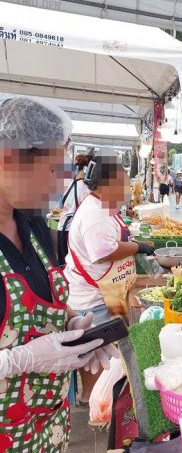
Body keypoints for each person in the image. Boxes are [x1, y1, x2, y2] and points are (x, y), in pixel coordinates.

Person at [0, 97, 117, 452]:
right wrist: (17, 360)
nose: (58, 185)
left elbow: (41, 298)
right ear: (9, 159)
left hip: (49, 427)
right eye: (52, 170)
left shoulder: (32, 222)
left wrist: (71, 323)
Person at [64, 151, 155, 403]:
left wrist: (135, 243)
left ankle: (98, 400)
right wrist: (137, 247)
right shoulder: (94, 214)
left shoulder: (101, 205)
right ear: (108, 183)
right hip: (91, 301)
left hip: (100, 293)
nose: (127, 187)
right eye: (123, 181)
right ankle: (93, 403)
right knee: (96, 356)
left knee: (101, 355)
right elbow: (103, 252)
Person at [57, 153, 92, 265]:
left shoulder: (69, 183)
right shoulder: (85, 188)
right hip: (72, 231)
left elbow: (60, 205)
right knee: (72, 264)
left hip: (61, 228)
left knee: (63, 264)